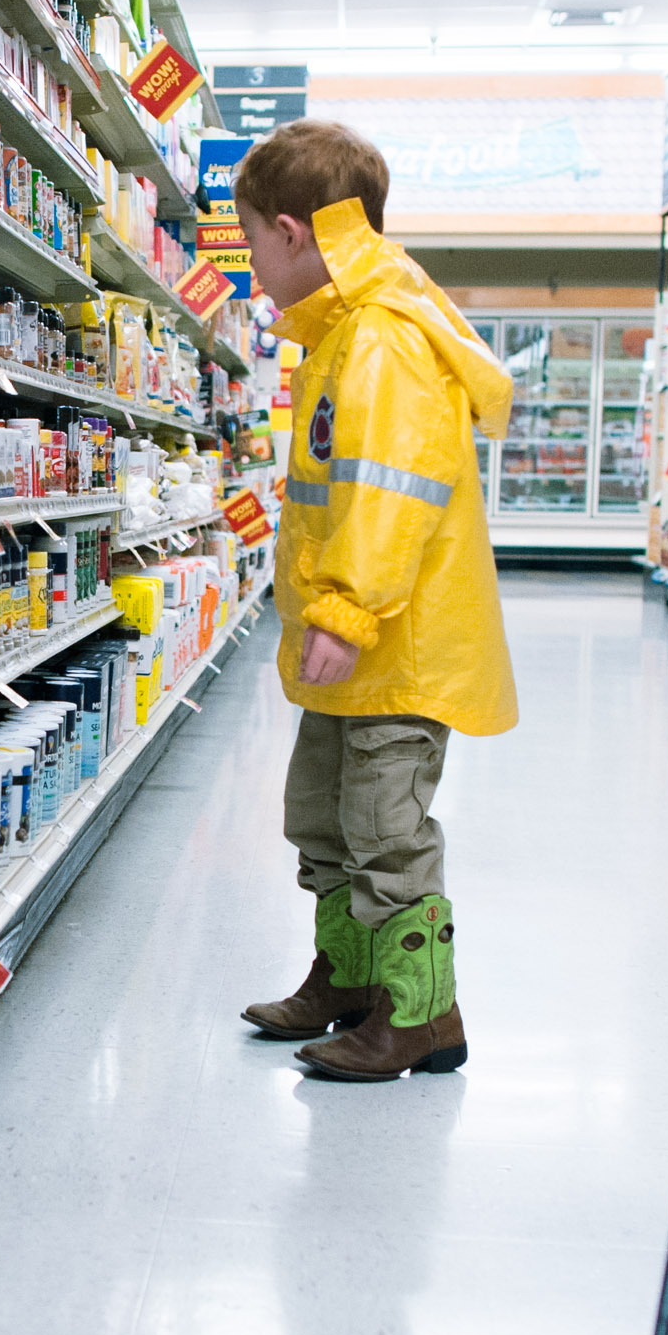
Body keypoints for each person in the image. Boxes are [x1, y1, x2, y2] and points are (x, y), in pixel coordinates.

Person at [234, 119, 517, 1081]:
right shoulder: (343, 329)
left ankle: (423, 1015)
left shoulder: (383, 340)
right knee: (324, 817)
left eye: (251, 243)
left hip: (395, 641)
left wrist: (349, 611)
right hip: (355, 638)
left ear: (291, 231)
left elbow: (392, 489)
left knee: (388, 831)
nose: (253, 265)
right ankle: (347, 982)